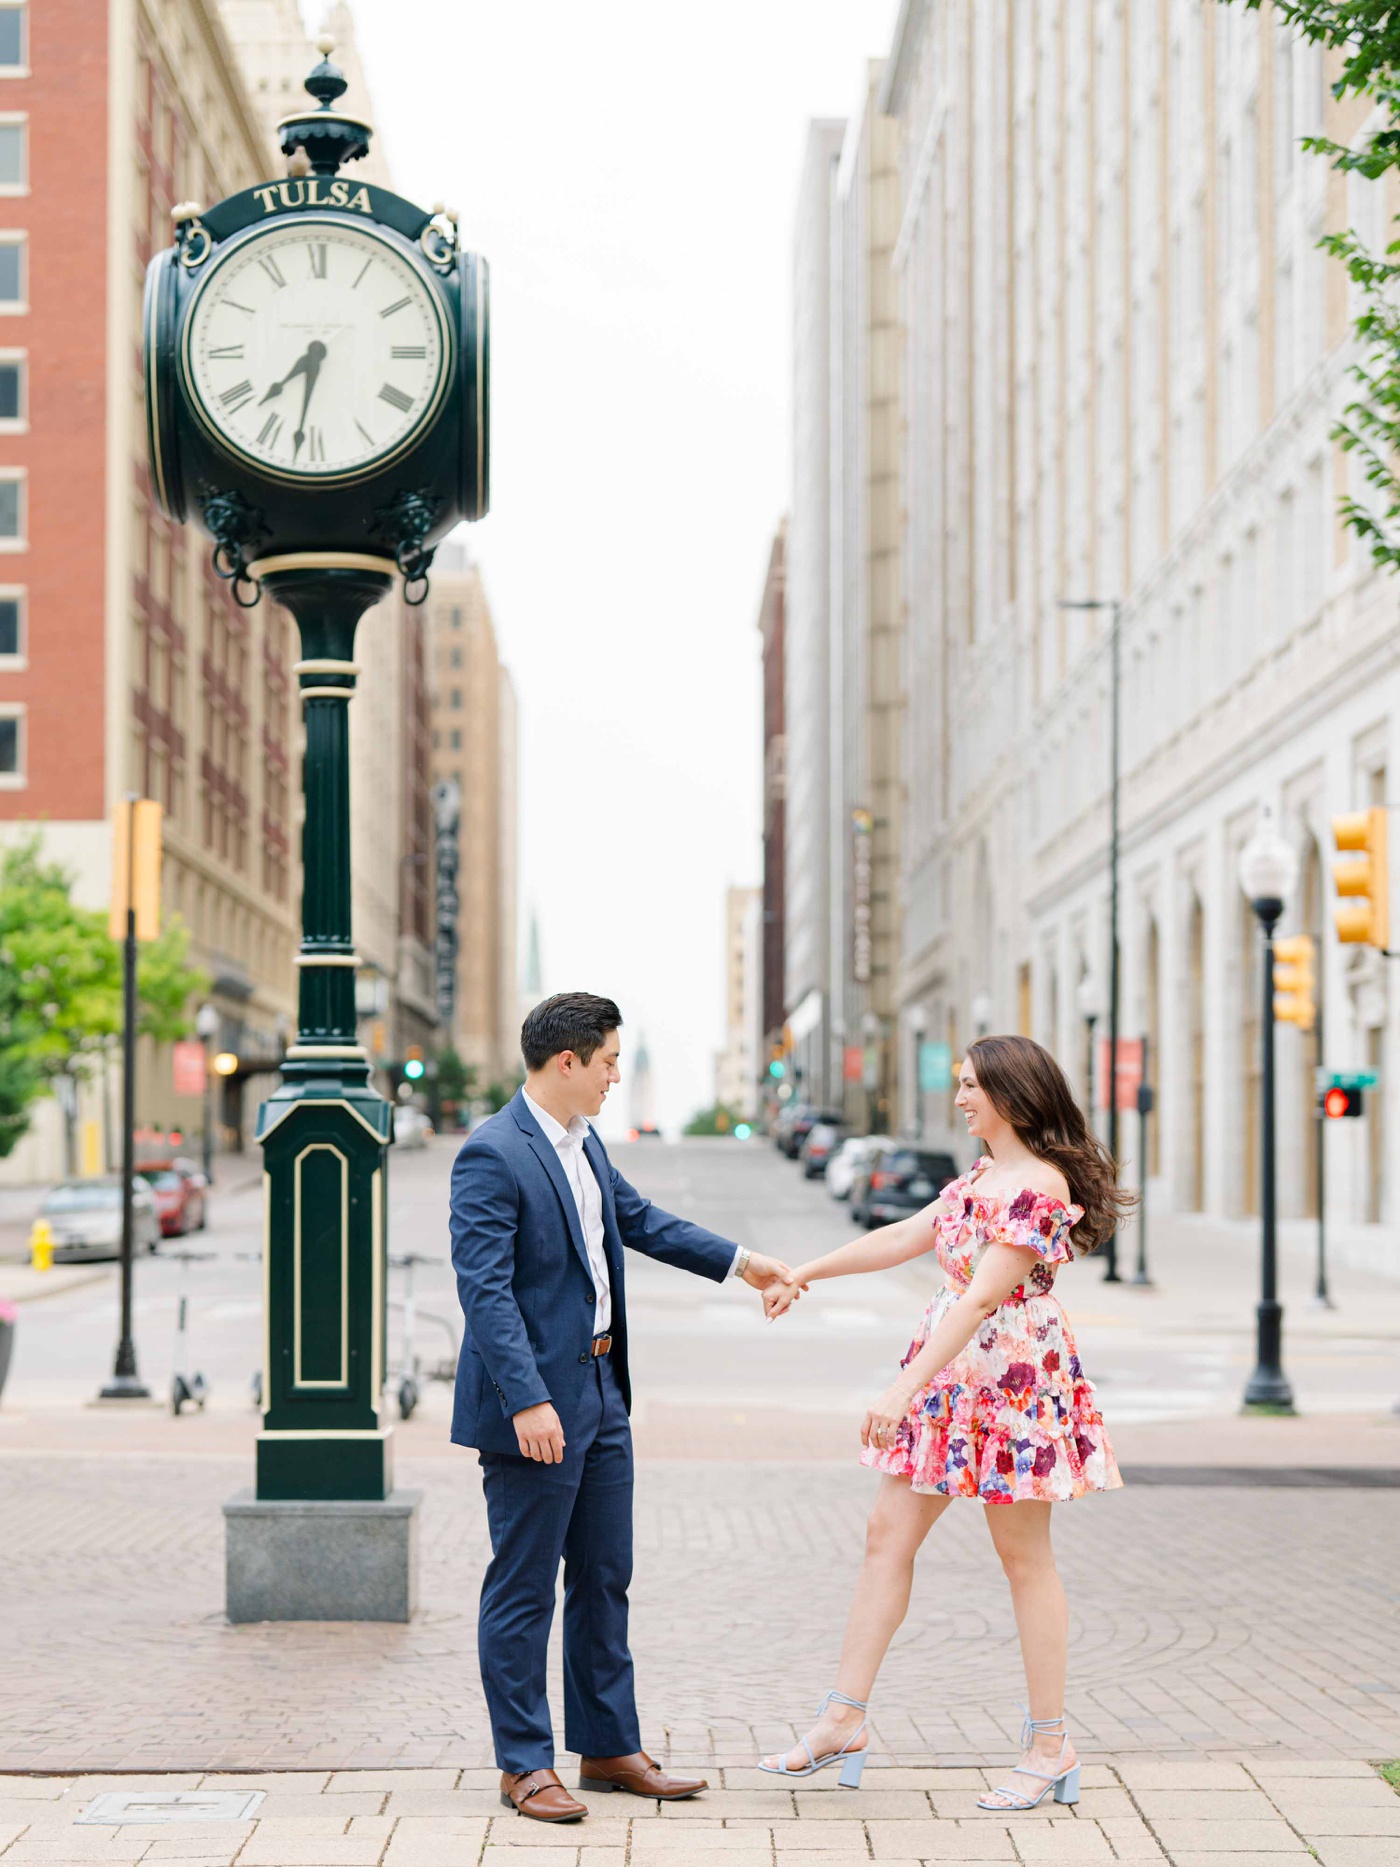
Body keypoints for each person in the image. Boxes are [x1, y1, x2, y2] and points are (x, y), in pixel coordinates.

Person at [450, 991, 799, 1826]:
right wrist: (528, 1399)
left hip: (604, 1394)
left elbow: (639, 1221)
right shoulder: (492, 1154)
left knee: (606, 1576)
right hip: (538, 1406)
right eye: (608, 1061)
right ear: (565, 1061)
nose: (615, 1074)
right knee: (525, 1586)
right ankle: (524, 1764)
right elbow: (486, 1292)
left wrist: (744, 1263)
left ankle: (607, 1746)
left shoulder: (585, 1143)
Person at [758, 1034, 1128, 1811]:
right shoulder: (983, 1174)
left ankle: (1051, 1743)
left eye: (970, 1086)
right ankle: (842, 1719)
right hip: (950, 1372)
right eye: (959, 1083)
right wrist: (805, 1272)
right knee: (885, 1537)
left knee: (1022, 1557)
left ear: (1011, 1092)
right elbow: (904, 1236)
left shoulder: (1043, 1184)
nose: (960, 1097)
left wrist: (902, 1389)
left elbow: (982, 1298)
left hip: (1012, 1379)